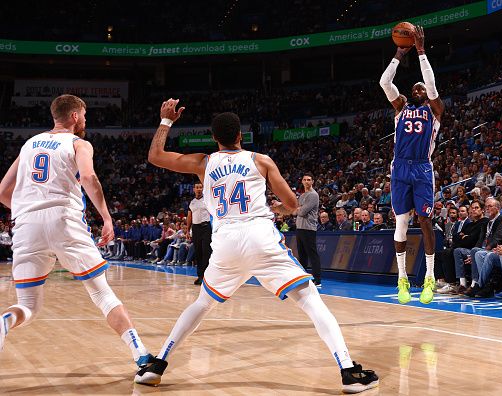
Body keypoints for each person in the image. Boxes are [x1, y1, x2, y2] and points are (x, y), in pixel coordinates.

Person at [135, 102, 378, 393]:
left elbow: (155, 156)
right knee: (310, 300)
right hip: (259, 236)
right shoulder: (261, 160)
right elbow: (292, 204)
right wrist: (276, 208)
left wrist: (165, 120)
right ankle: (348, 372)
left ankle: (158, 365)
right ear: (240, 135)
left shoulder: (203, 162)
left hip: (225, 241)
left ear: (214, 139)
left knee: (202, 303)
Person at [0, 94, 153, 368]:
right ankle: (140, 353)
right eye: (84, 114)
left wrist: (26, 211)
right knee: (101, 293)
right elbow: (89, 177)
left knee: (28, 305)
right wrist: (106, 217)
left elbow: (2, 192)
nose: (85, 119)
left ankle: (5, 321)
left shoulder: (28, 144)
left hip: (26, 225)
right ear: (74, 116)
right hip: (63, 219)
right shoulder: (78, 143)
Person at [380, 25, 445, 304]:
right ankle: (402, 278)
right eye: (415, 87)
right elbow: (384, 83)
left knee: (425, 219)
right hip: (400, 168)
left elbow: (431, 84)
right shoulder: (401, 108)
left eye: (422, 88)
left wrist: (420, 51)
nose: (418, 88)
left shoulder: (435, 110)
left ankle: (429, 277)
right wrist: (397, 54)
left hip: (421, 167)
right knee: (401, 224)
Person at [296, 173, 322, 287]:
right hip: (300, 228)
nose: (306, 181)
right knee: (302, 255)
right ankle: (303, 278)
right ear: (302, 181)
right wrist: (297, 209)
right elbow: (295, 210)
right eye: (305, 179)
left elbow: (301, 212)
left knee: (312, 254)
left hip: (308, 228)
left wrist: (298, 209)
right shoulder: (302, 196)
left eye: (309, 180)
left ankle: (317, 279)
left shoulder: (313, 195)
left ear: (312, 182)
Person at [187, 182, 212, 285]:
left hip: (206, 227)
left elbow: (214, 213)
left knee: (206, 252)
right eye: (197, 187)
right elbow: (189, 217)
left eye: (200, 187)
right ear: (193, 189)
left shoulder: (208, 200)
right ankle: (200, 276)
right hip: (196, 228)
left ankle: (208, 277)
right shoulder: (191, 202)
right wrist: (188, 230)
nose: (199, 189)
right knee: (198, 252)